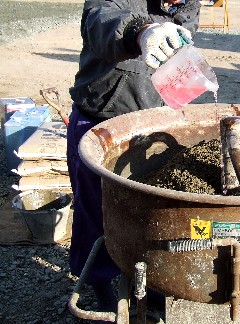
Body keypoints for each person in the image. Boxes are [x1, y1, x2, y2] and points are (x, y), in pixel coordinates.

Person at [66, 0, 201, 315]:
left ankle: (151, 284)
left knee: (150, 215)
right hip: (100, 123)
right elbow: (102, 22)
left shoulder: (189, 5)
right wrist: (144, 31)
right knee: (96, 213)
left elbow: (181, 40)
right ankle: (100, 286)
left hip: (152, 125)